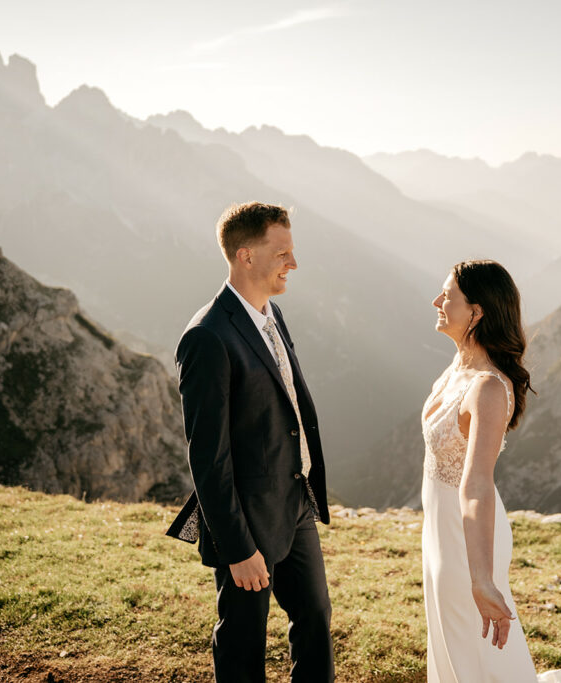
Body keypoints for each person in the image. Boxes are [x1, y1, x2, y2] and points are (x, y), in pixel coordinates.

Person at [421, 260, 561, 683]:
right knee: (450, 639)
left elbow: (477, 484)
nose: (436, 302)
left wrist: (482, 578)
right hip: (439, 532)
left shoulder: (488, 388)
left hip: (468, 538)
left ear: (476, 312)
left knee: (476, 650)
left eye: (447, 296)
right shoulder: (459, 366)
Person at [166, 202, 333, 683]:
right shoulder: (207, 337)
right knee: (243, 638)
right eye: (282, 254)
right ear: (246, 256)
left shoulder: (271, 314)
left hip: (295, 501)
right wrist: (238, 548)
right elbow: (207, 457)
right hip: (246, 516)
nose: (293, 263)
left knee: (315, 618)